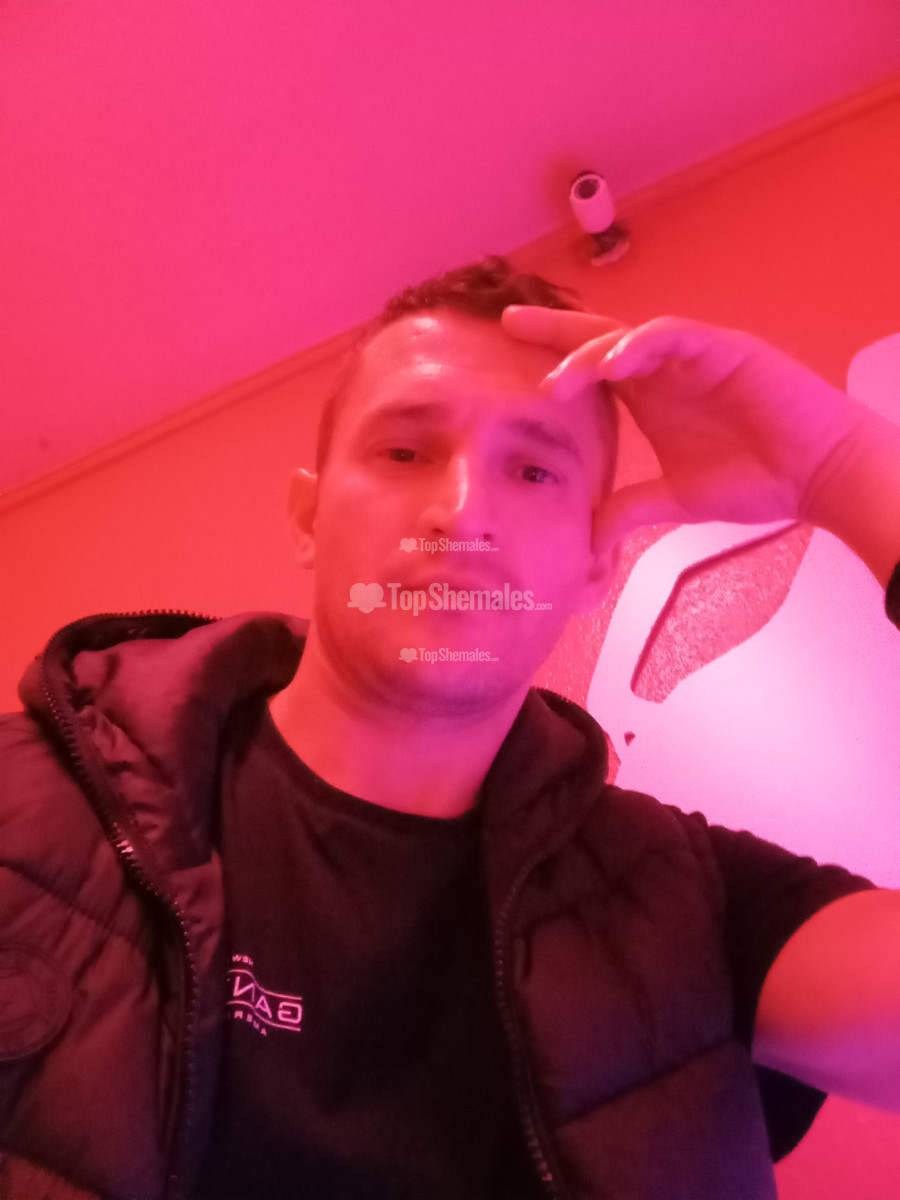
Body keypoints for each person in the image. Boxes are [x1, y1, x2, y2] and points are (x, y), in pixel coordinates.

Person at [1, 256, 899, 1200]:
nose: (463, 513)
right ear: (308, 518)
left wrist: (851, 471)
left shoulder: (686, 904)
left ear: (596, 565)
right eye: (404, 453)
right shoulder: (24, 808)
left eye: (534, 469)